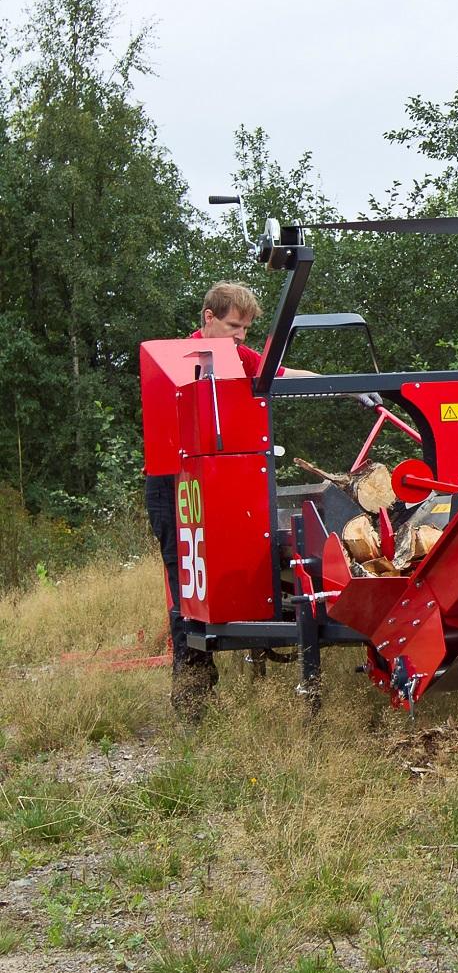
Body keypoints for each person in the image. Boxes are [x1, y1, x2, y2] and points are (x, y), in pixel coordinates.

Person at [145, 281, 265, 710]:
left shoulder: (241, 356)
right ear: (208, 318)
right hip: (174, 483)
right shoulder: (177, 357)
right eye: (234, 325)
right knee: (187, 586)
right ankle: (192, 697)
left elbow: (281, 375)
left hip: (222, 479)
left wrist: (355, 388)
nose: (241, 337)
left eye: (248, 328)